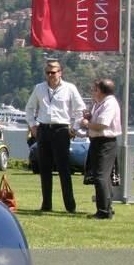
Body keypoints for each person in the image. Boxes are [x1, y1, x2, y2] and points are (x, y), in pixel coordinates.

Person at [25, 59, 85, 213]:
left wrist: (75, 127)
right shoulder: (39, 88)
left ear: (60, 72)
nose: (50, 75)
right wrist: (32, 126)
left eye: (53, 72)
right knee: (44, 168)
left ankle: (70, 206)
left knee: (64, 168)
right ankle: (46, 204)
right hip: (44, 129)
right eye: (48, 72)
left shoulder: (70, 88)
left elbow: (80, 110)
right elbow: (30, 108)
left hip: (61, 130)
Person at [82, 78, 121, 220]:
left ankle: (103, 211)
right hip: (98, 141)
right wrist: (90, 117)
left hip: (105, 142)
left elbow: (102, 125)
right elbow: (97, 121)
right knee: (101, 176)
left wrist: (87, 123)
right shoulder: (100, 104)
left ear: (101, 91)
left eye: (95, 89)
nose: (92, 91)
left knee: (100, 177)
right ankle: (107, 208)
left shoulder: (109, 103)